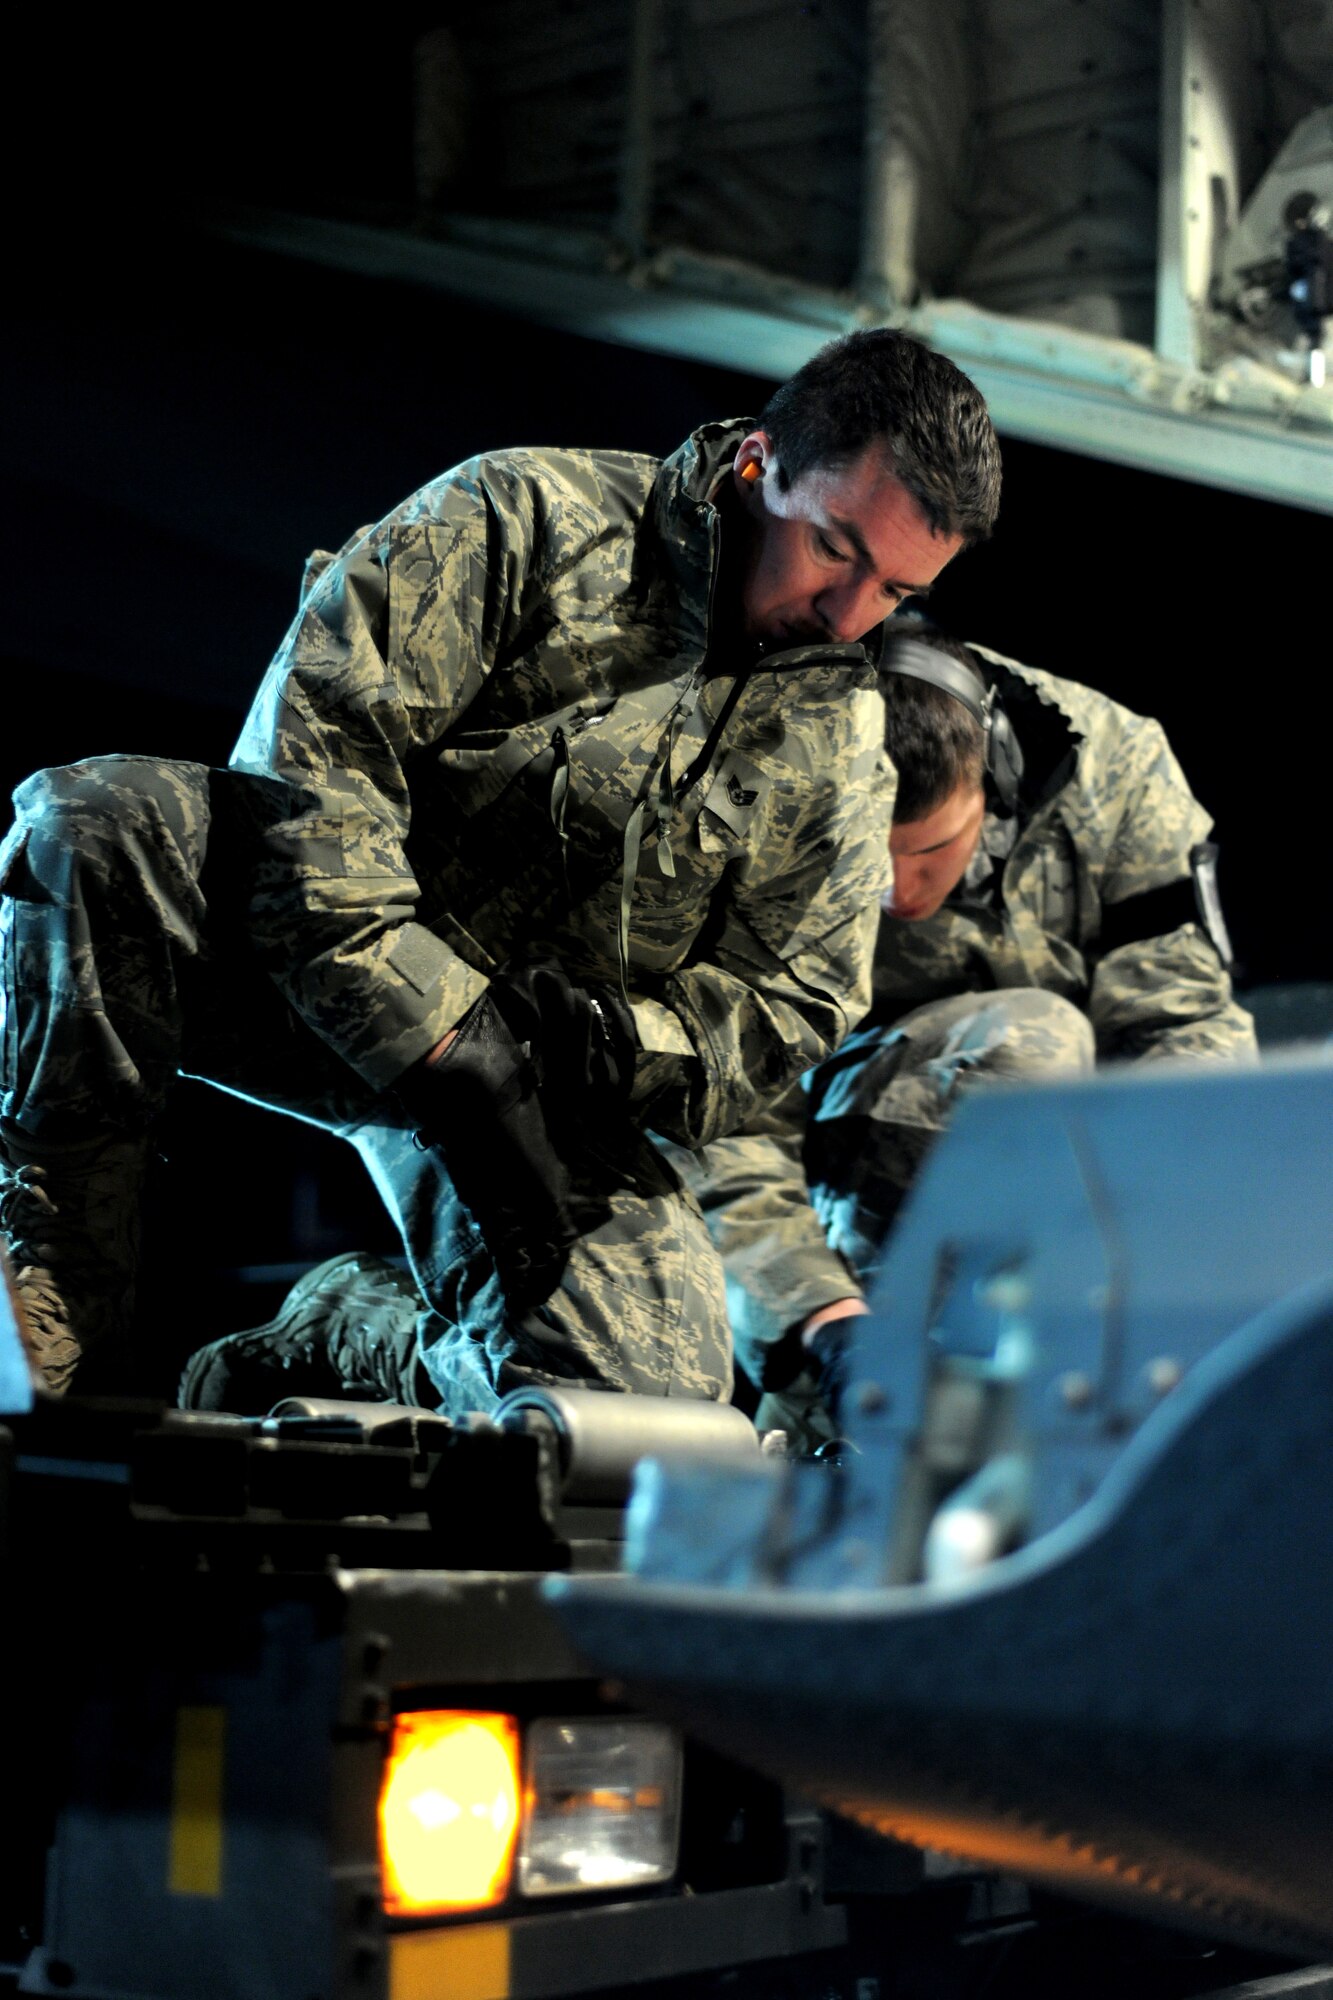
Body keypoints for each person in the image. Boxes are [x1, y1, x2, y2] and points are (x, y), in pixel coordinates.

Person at [0, 330, 1001, 1413]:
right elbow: (312, 768)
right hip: (304, 961)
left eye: (895, 590)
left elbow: (794, 1008)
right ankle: (61, 1337)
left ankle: (338, 1333)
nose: (850, 614)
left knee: (645, 1396)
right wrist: (438, 1036)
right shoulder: (528, 516)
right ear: (758, 466)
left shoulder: (839, 732)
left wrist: (625, 1047)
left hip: (537, 1090)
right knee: (93, 824)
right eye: (836, 550)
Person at [691, 628, 1258, 1447]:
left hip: (1073, 1183)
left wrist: (1157, 1259)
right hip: (831, 1178)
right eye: (868, 855)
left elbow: (1180, 1030)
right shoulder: (766, 790)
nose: (893, 890)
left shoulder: (1116, 773)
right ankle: (882, 1404)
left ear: (991, 788)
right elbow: (726, 1126)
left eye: (927, 850)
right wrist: (825, 1323)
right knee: (1035, 1046)